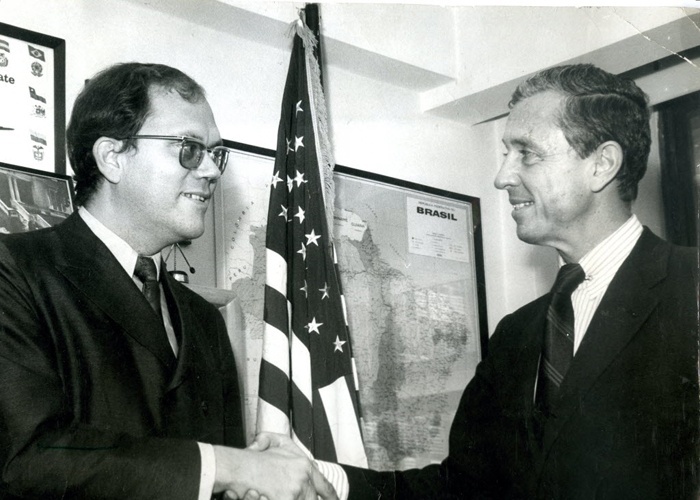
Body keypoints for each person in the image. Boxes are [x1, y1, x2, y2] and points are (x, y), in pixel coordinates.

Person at [256, 64, 699, 499]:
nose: (503, 176)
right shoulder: (517, 334)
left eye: (527, 152)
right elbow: (463, 487)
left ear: (601, 164)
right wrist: (326, 479)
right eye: (507, 153)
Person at [0, 62, 336, 500]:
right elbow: (26, 459)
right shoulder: (15, 273)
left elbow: (222, 477)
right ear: (112, 157)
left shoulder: (205, 320)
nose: (213, 171)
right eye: (189, 148)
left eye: (216, 154)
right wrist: (230, 466)